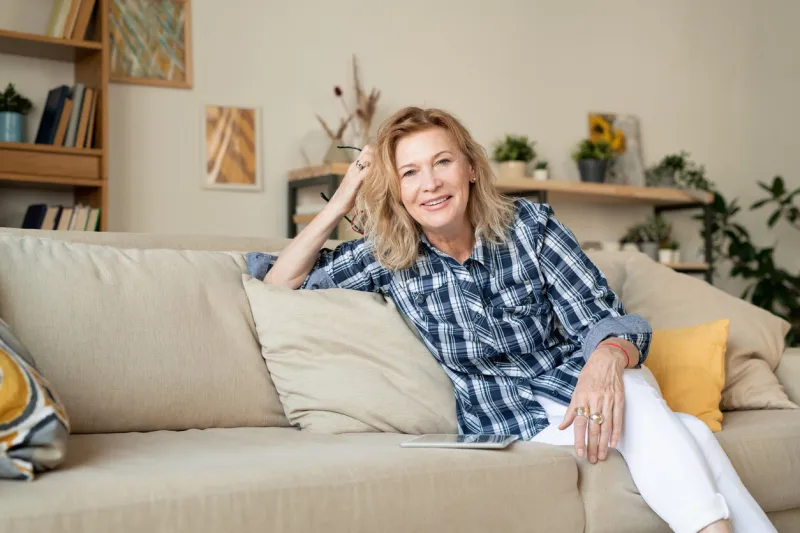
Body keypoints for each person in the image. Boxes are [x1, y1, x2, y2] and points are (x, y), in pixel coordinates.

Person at [257, 107, 776, 533]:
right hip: (508, 419)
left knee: (651, 399)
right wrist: (346, 195)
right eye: (409, 172)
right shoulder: (390, 253)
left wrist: (606, 362)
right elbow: (282, 281)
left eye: (442, 163)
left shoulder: (529, 226)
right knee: (681, 429)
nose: (430, 184)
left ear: (471, 169)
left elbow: (604, 317)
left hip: (581, 393)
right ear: (396, 189)